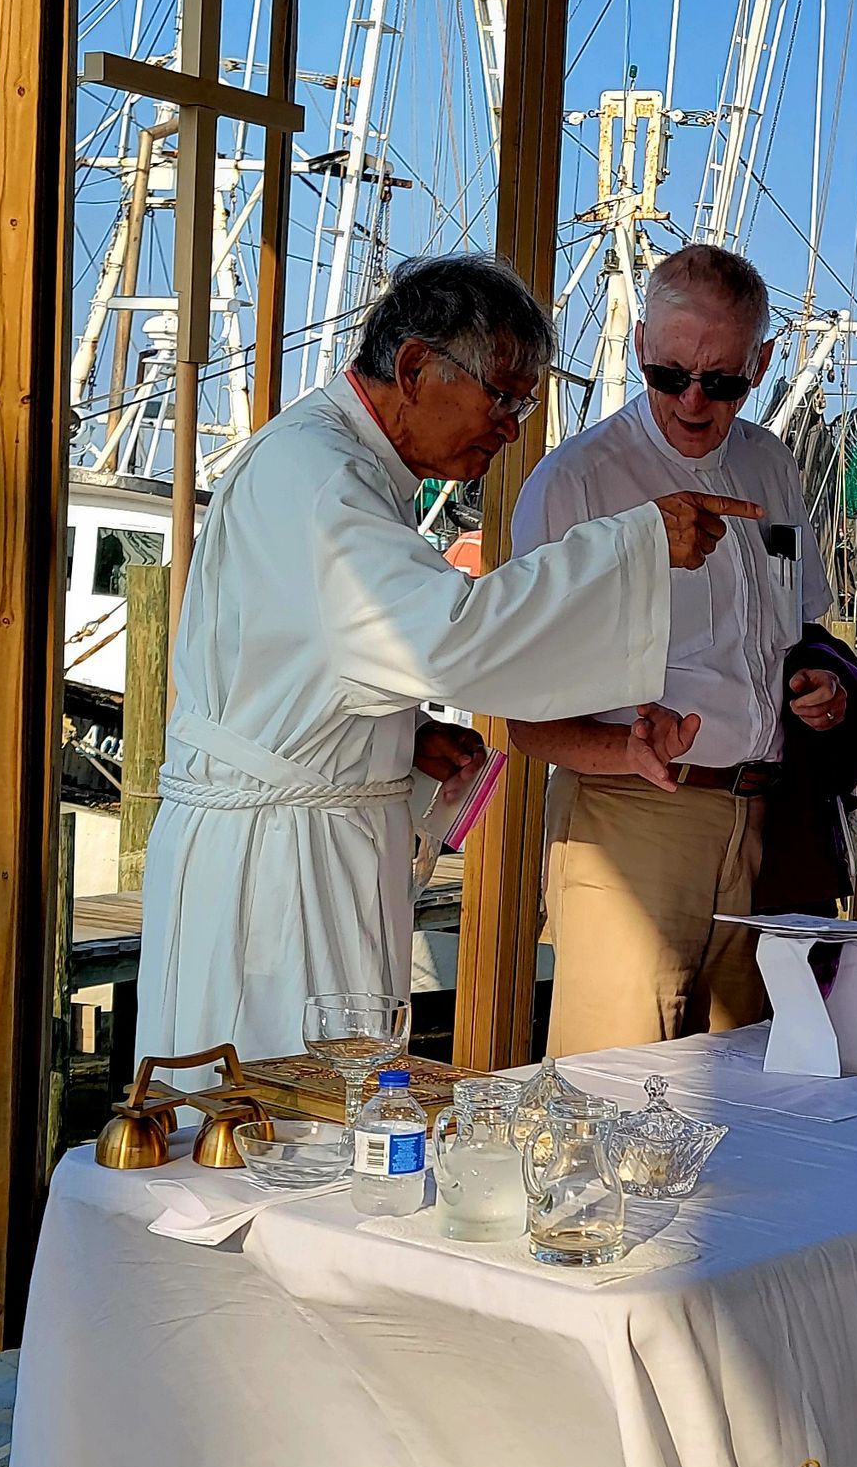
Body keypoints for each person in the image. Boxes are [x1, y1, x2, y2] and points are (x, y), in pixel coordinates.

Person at [137, 253, 751, 1062]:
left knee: (314, 1105)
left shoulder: (343, 469)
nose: (513, 427)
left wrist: (392, 731)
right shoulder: (322, 478)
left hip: (310, 835)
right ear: (417, 366)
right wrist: (635, 545)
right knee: (274, 1121)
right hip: (275, 872)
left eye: (525, 404)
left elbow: (317, 660)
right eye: (503, 397)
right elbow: (449, 637)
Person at [508, 243, 857, 1057]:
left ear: (763, 364)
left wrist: (821, 686)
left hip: (765, 816)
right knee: (613, 1083)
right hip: (631, 817)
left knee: (752, 1085)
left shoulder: (772, 465)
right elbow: (522, 718)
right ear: (640, 345)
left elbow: (798, 632)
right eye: (670, 373)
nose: (692, 399)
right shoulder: (575, 482)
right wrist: (627, 752)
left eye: (723, 381)